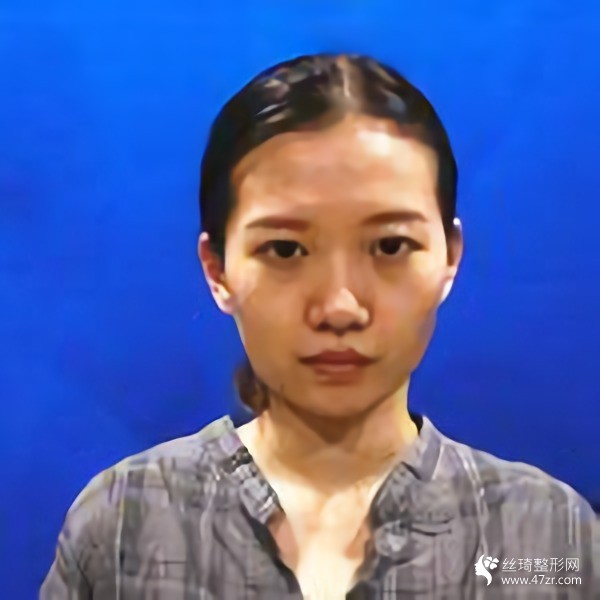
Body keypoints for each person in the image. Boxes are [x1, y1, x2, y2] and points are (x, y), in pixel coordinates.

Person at [41, 53, 598, 599]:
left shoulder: (547, 537)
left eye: (390, 246)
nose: (339, 308)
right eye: (285, 249)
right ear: (218, 270)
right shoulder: (125, 526)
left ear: (449, 257)